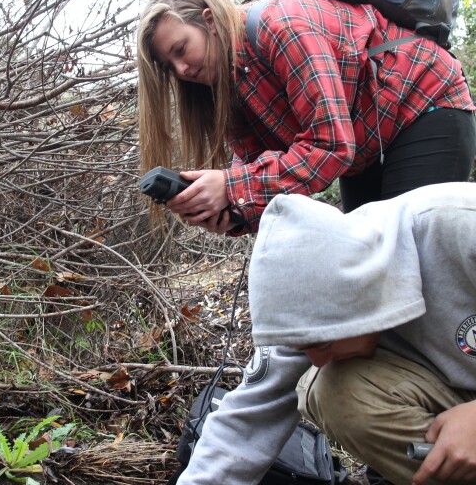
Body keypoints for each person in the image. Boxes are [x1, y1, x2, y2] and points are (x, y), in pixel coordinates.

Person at [176, 181, 476, 485]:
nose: (316, 361)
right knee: (334, 389)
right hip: (454, 402)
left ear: (359, 296)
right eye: (304, 347)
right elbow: (247, 420)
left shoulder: (456, 224)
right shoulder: (306, 312)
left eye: (322, 342)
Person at [137, 0, 476, 234]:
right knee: (371, 265)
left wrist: (231, 186)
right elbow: (263, 170)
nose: (181, 70)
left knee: (414, 252)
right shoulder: (224, 84)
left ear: (210, 21)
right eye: (169, 65)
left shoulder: (280, 25)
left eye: (181, 49)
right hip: (366, 146)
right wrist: (230, 207)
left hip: (425, 103)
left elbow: (330, 145)